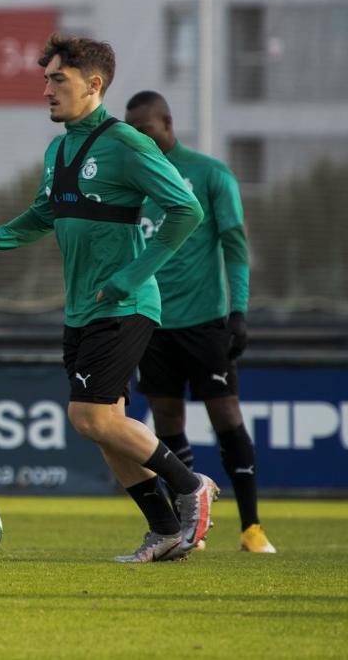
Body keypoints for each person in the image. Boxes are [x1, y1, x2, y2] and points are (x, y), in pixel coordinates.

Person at [0, 34, 217, 564]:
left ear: (94, 84)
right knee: (107, 428)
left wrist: (134, 275)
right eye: (45, 79)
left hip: (125, 305)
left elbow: (186, 211)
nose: (45, 89)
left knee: (89, 419)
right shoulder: (59, 149)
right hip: (82, 310)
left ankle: (190, 485)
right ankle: (164, 532)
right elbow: (38, 219)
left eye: (57, 79)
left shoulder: (127, 144)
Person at [124, 90, 274, 554]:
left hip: (205, 322)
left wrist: (239, 312)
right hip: (151, 322)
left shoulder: (209, 174)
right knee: (165, 417)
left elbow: (234, 243)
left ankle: (251, 528)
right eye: (130, 132)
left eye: (143, 130)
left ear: (167, 124)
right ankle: (192, 526)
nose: (136, 139)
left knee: (225, 415)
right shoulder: (133, 182)